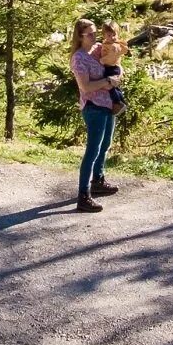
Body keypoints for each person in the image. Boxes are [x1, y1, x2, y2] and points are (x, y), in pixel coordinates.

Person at [69, 17, 119, 212]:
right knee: (93, 150)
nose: (94, 35)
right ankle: (83, 194)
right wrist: (107, 81)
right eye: (90, 33)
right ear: (80, 36)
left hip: (107, 104)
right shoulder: (78, 58)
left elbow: (115, 61)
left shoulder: (98, 48)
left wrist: (118, 74)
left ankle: (98, 180)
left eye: (94, 32)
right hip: (93, 106)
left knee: (105, 144)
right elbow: (85, 86)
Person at [95, 20, 127, 112]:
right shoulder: (106, 44)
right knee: (114, 86)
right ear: (104, 36)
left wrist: (102, 60)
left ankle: (117, 102)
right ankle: (121, 101)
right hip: (109, 66)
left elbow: (112, 56)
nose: (112, 37)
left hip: (112, 67)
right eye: (109, 35)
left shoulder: (114, 45)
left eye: (114, 34)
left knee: (110, 85)